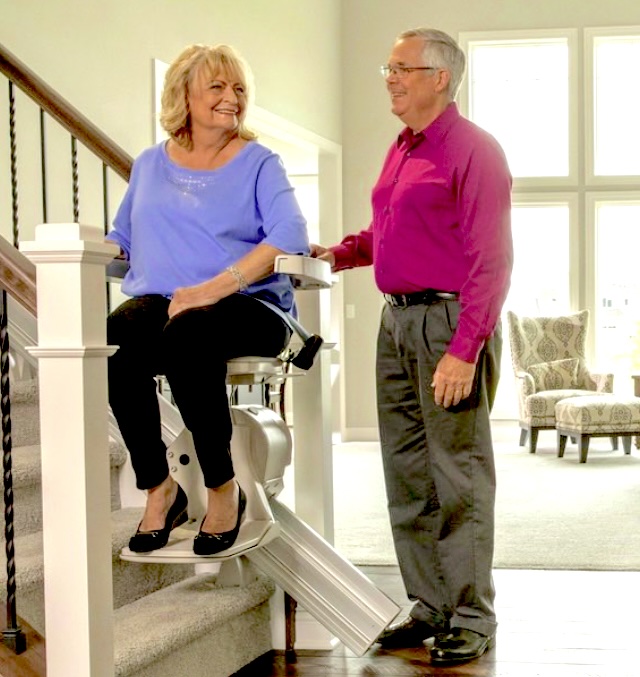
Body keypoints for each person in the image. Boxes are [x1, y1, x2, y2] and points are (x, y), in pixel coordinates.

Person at [312, 28, 512, 665]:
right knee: (406, 471)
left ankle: (473, 614)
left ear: (440, 77)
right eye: (388, 68)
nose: (391, 78)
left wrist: (464, 348)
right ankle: (430, 605)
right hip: (396, 323)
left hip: (450, 323)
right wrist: (337, 254)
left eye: (402, 69)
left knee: (459, 475)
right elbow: (386, 232)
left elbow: (492, 260)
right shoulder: (402, 149)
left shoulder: (474, 150)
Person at [106, 44, 309, 557]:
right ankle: (160, 488)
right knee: (116, 338)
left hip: (253, 305)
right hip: (169, 302)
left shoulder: (260, 162)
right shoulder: (151, 164)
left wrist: (211, 289)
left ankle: (222, 488)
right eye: (216, 86)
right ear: (185, 97)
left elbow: (290, 235)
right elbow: (122, 238)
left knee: (190, 332)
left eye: (238, 88)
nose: (231, 98)